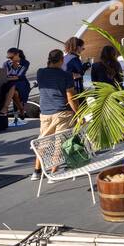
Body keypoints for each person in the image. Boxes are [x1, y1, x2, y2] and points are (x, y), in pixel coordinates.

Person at [32, 49, 79, 179]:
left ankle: (36, 171)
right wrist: (78, 113)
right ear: (61, 60)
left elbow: (49, 76)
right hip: (61, 112)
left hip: (45, 112)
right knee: (59, 143)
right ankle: (54, 171)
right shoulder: (66, 75)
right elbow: (71, 98)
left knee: (43, 141)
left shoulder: (40, 72)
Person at [0, 47, 31, 125]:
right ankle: (21, 110)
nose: (9, 59)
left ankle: (5, 109)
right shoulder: (6, 63)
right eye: (8, 57)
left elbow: (20, 76)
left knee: (12, 86)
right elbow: (3, 75)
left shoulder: (25, 63)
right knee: (14, 92)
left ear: (17, 55)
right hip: (11, 84)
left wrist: (9, 78)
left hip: (22, 84)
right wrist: (10, 78)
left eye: (11, 57)